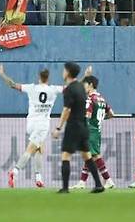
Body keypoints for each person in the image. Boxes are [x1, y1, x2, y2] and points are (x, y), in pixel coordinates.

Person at [0, 62, 63, 189]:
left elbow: (12, 84)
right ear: (48, 79)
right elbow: (72, 88)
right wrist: (84, 77)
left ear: (39, 78)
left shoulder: (31, 87)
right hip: (42, 124)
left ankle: (38, 178)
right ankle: (14, 172)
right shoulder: (53, 89)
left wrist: (2, 73)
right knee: (30, 150)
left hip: (31, 123)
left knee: (39, 148)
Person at [51, 62, 104, 194]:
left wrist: (58, 128)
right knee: (87, 155)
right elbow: (77, 85)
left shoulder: (70, 89)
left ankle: (65, 188)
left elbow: (66, 110)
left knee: (65, 156)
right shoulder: (81, 87)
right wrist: (85, 76)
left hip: (73, 127)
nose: (62, 72)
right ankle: (98, 184)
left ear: (68, 72)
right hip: (84, 127)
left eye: (64, 70)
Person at [71, 71, 116, 190]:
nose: (84, 87)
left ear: (90, 85)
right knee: (89, 155)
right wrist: (100, 119)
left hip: (90, 130)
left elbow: (88, 116)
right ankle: (82, 182)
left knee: (95, 156)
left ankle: (108, 180)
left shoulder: (90, 99)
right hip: (97, 130)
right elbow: (112, 114)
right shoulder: (101, 99)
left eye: (85, 85)